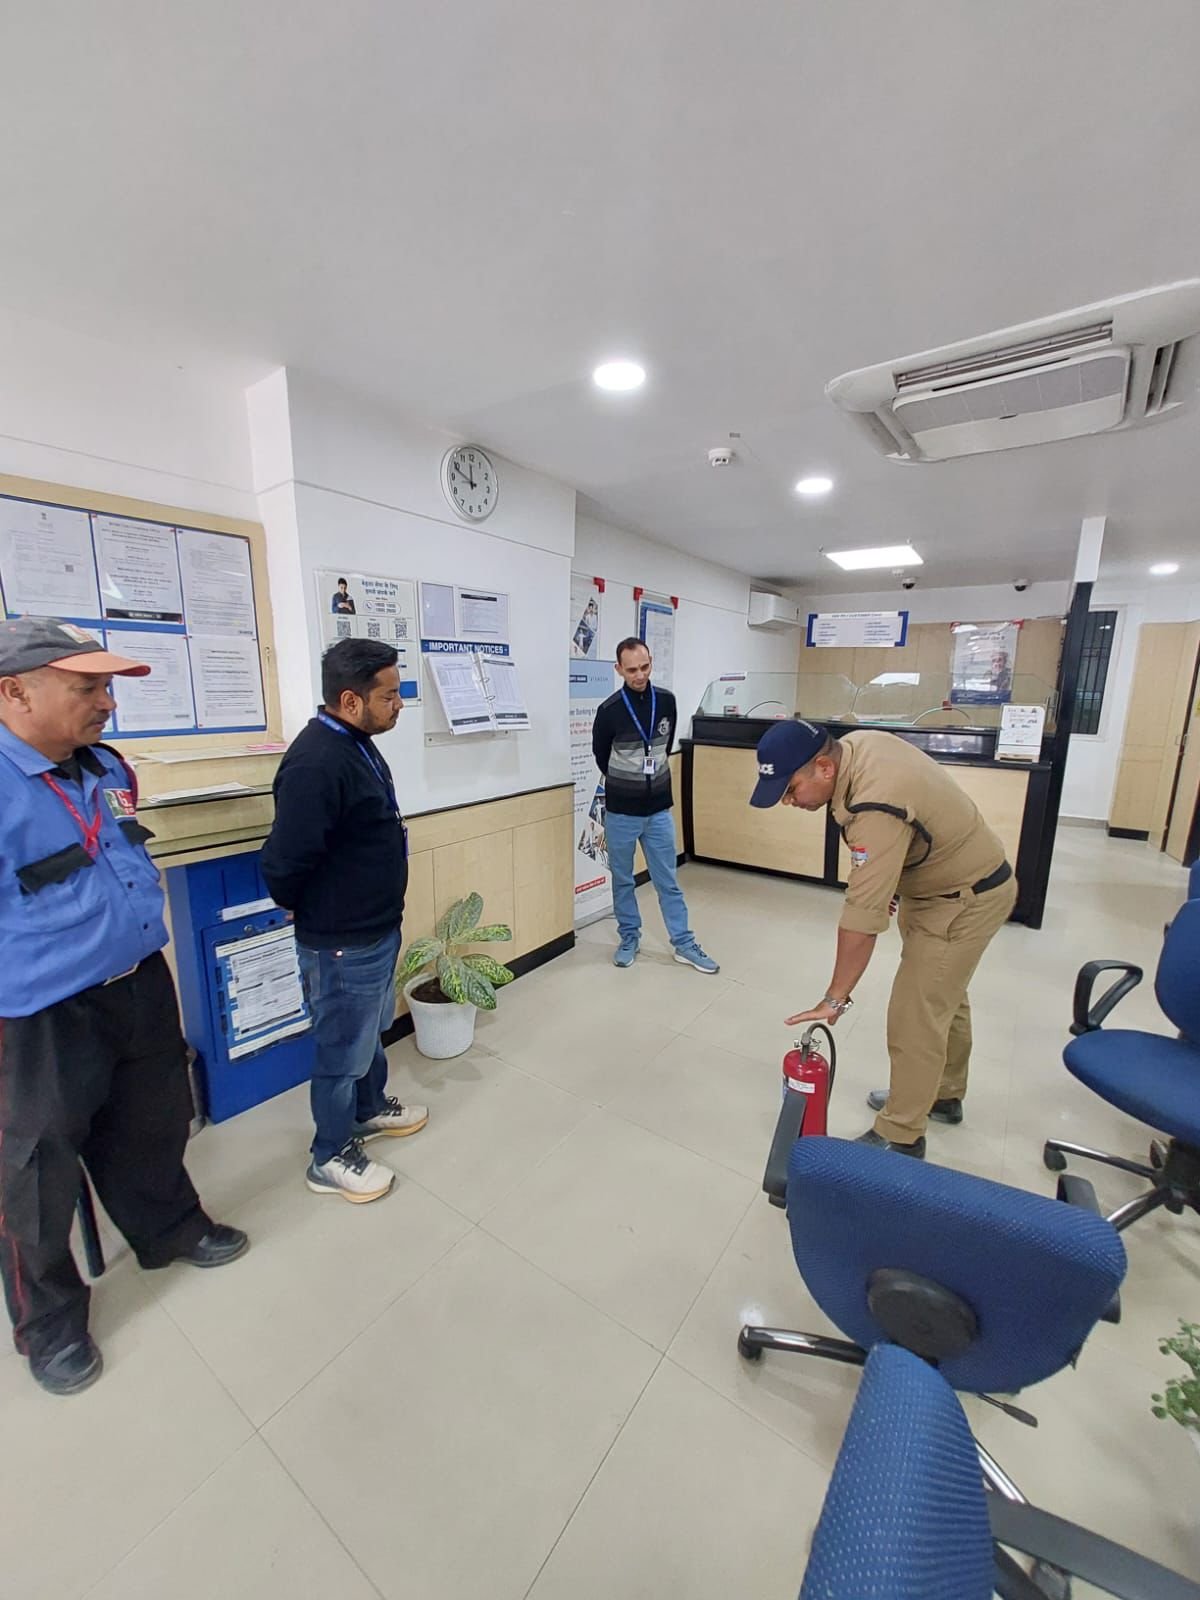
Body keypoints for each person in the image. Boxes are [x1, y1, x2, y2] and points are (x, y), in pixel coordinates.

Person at [0, 617, 248, 1396]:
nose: (107, 702)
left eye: (107, 687)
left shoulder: (106, 766)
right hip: (40, 1013)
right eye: (87, 687)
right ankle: (49, 1323)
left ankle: (169, 1230)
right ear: (15, 692)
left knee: (153, 1120)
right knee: (36, 1172)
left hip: (138, 980)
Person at [750, 719, 1017, 1157]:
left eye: (791, 788)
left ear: (824, 768)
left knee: (915, 1014)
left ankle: (901, 1134)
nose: (787, 800)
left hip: (962, 898)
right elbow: (906, 829)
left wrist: (835, 998)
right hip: (944, 884)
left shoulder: (874, 802)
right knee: (943, 998)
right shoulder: (854, 748)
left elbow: (861, 917)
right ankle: (942, 1094)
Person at [260, 638, 426, 1204]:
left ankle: (369, 1108)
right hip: (340, 940)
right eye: (389, 695)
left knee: (367, 1034)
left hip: (374, 927)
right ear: (351, 700)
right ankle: (329, 1155)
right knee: (341, 1050)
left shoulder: (355, 743)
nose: (398, 704)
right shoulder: (316, 761)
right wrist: (297, 901)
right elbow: (285, 859)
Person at [592, 638, 718, 973]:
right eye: (632, 670)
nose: (640, 675)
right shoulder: (608, 710)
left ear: (651, 662)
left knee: (668, 881)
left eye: (645, 667)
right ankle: (629, 937)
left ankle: (684, 944)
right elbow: (601, 756)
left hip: (659, 809)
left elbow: (664, 743)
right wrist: (630, 781)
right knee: (623, 880)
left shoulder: (666, 701)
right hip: (621, 812)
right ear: (619, 669)